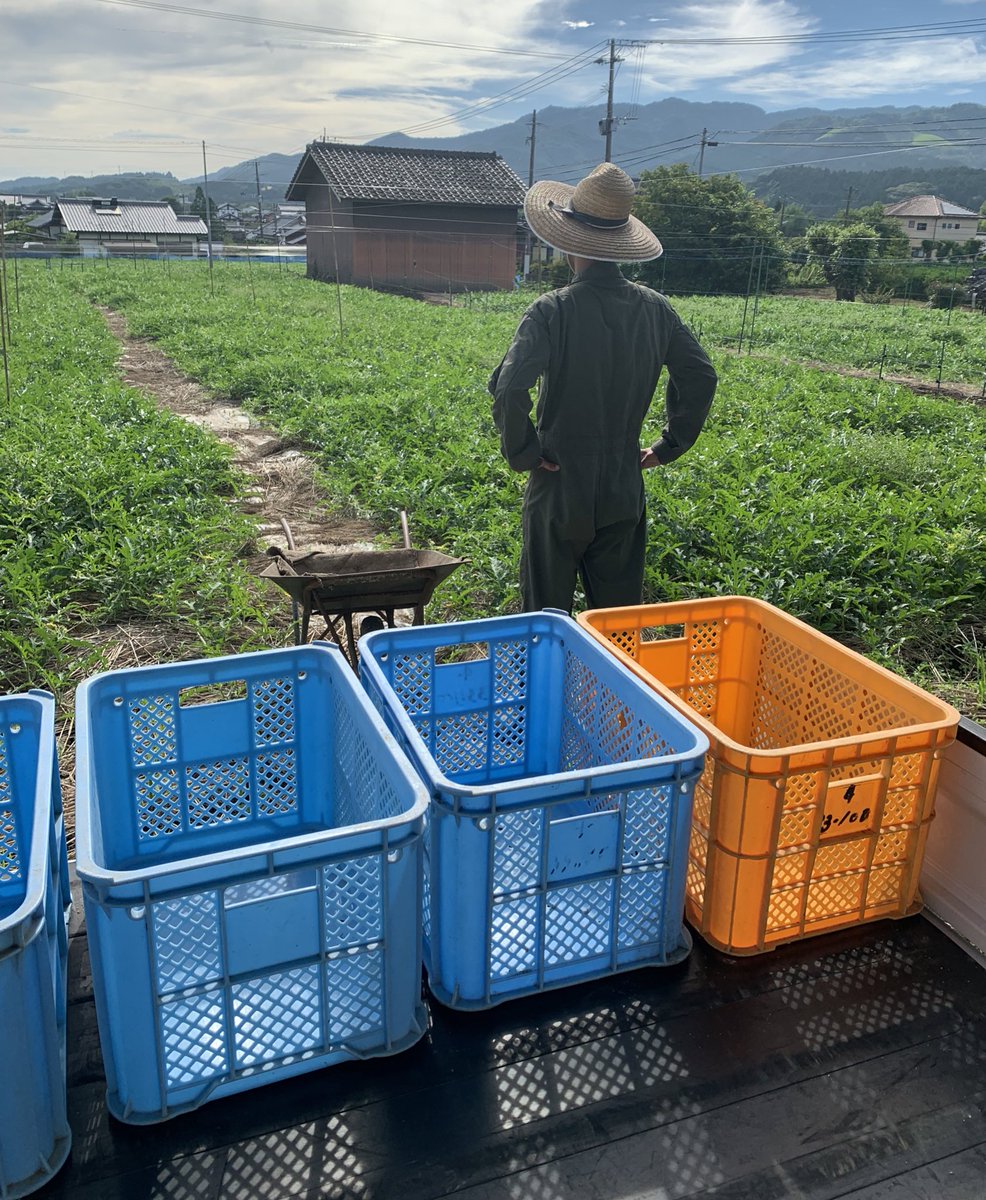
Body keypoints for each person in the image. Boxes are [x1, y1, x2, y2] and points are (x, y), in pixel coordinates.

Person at [488, 161, 718, 614]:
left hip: (558, 480)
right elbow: (700, 375)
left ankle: (551, 684)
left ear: (567, 238)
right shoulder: (656, 310)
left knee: (544, 618)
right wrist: (669, 445)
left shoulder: (552, 310)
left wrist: (526, 452)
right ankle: (610, 687)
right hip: (622, 479)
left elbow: (510, 387)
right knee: (617, 621)